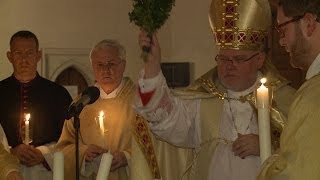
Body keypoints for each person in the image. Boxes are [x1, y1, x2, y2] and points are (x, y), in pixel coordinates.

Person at [133, 0, 297, 179]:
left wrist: (267, 146)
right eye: (223, 59)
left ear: (259, 59)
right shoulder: (203, 97)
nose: (229, 66)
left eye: (239, 59)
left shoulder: (286, 100)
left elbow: (304, 155)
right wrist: (152, 65)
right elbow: (165, 121)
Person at [258, 0, 320, 179]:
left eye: (282, 30)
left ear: (308, 23)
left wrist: (270, 163)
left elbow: (294, 174)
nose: (282, 41)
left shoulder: (313, 96)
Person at [56, 39, 134, 180]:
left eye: (111, 64)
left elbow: (154, 147)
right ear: (92, 66)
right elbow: (64, 148)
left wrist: (127, 157)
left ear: (123, 65)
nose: (105, 70)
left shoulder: (140, 102)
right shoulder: (81, 104)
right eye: (99, 65)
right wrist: (83, 153)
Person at [0, 30, 73, 180]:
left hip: (46, 171)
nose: (24, 59)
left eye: (29, 53)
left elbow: (70, 139)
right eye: (18, 53)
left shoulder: (58, 93)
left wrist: (44, 154)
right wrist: (11, 151)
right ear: (9, 56)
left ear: (38, 55)